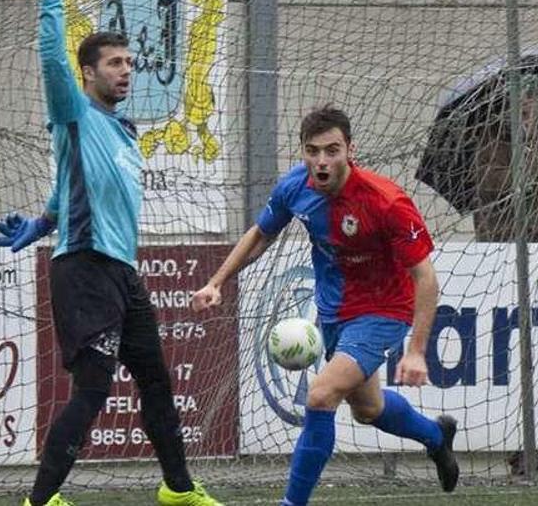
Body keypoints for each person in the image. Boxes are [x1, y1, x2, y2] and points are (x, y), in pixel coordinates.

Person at [0, 0, 222, 505]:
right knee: (94, 387)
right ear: (89, 73)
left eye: (129, 62)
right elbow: (51, 60)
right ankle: (41, 499)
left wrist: (41, 221)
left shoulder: (123, 130)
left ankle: (178, 491)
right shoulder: (73, 110)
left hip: (122, 272)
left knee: (157, 381)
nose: (126, 70)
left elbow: (72, 185)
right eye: (114, 63)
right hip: (85, 268)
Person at [189, 105, 460, 506]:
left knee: (320, 394)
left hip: (385, 310)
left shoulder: (386, 202)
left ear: (350, 149)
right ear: (302, 152)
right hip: (335, 312)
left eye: (332, 150)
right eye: (312, 151)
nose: (322, 161)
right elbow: (261, 234)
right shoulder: (295, 187)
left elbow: (426, 277)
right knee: (368, 408)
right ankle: (437, 436)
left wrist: (417, 351)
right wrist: (216, 282)